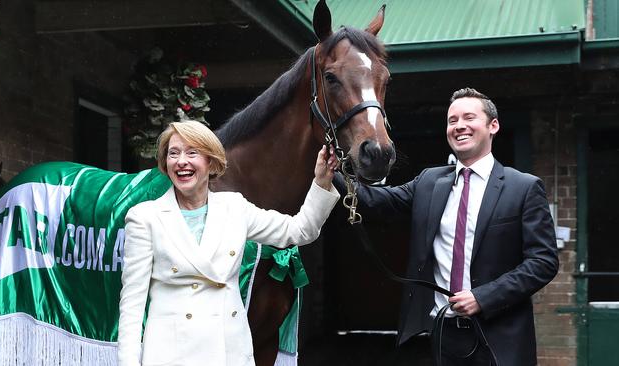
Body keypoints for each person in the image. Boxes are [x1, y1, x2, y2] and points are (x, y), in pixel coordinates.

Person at [340, 88, 559, 365]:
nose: (459, 126)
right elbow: (376, 201)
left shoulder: (524, 187)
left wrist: (483, 297)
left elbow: (543, 262)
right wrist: (334, 174)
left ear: (493, 126)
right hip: (444, 336)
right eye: (452, 120)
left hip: (502, 338)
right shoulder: (430, 181)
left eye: (469, 117)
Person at [117, 120, 340, 366]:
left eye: (192, 153)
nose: (181, 161)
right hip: (171, 357)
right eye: (173, 153)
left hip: (229, 354)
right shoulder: (144, 217)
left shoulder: (235, 207)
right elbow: (132, 305)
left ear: (211, 162)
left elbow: (300, 231)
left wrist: (321, 181)